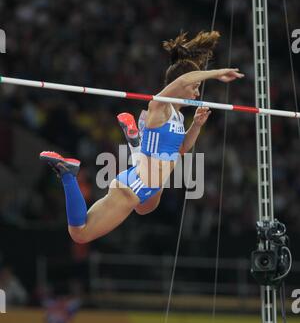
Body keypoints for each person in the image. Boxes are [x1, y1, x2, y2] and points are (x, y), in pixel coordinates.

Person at [40, 31, 244, 244]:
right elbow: (184, 79)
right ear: (179, 86)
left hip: (147, 185)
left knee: (145, 209)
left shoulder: (179, 117)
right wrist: (216, 73)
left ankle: (136, 144)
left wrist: (196, 125)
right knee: (80, 234)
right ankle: (68, 174)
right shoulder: (159, 107)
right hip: (136, 185)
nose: (196, 94)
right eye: (194, 88)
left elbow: (181, 149)